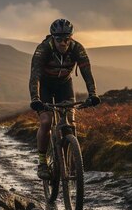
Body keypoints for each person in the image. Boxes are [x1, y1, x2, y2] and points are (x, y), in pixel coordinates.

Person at [29, 18, 100, 179]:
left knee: (70, 121)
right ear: (53, 38)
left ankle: (69, 159)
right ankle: (42, 163)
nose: (63, 43)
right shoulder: (43, 49)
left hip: (64, 85)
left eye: (66, 39)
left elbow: (86, 72)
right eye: (59, 39)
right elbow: (35, 76)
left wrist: (93, 94)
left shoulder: (77, 48)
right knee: (46, 121)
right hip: (45, 86)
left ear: (71, 37)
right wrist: (36, 98)